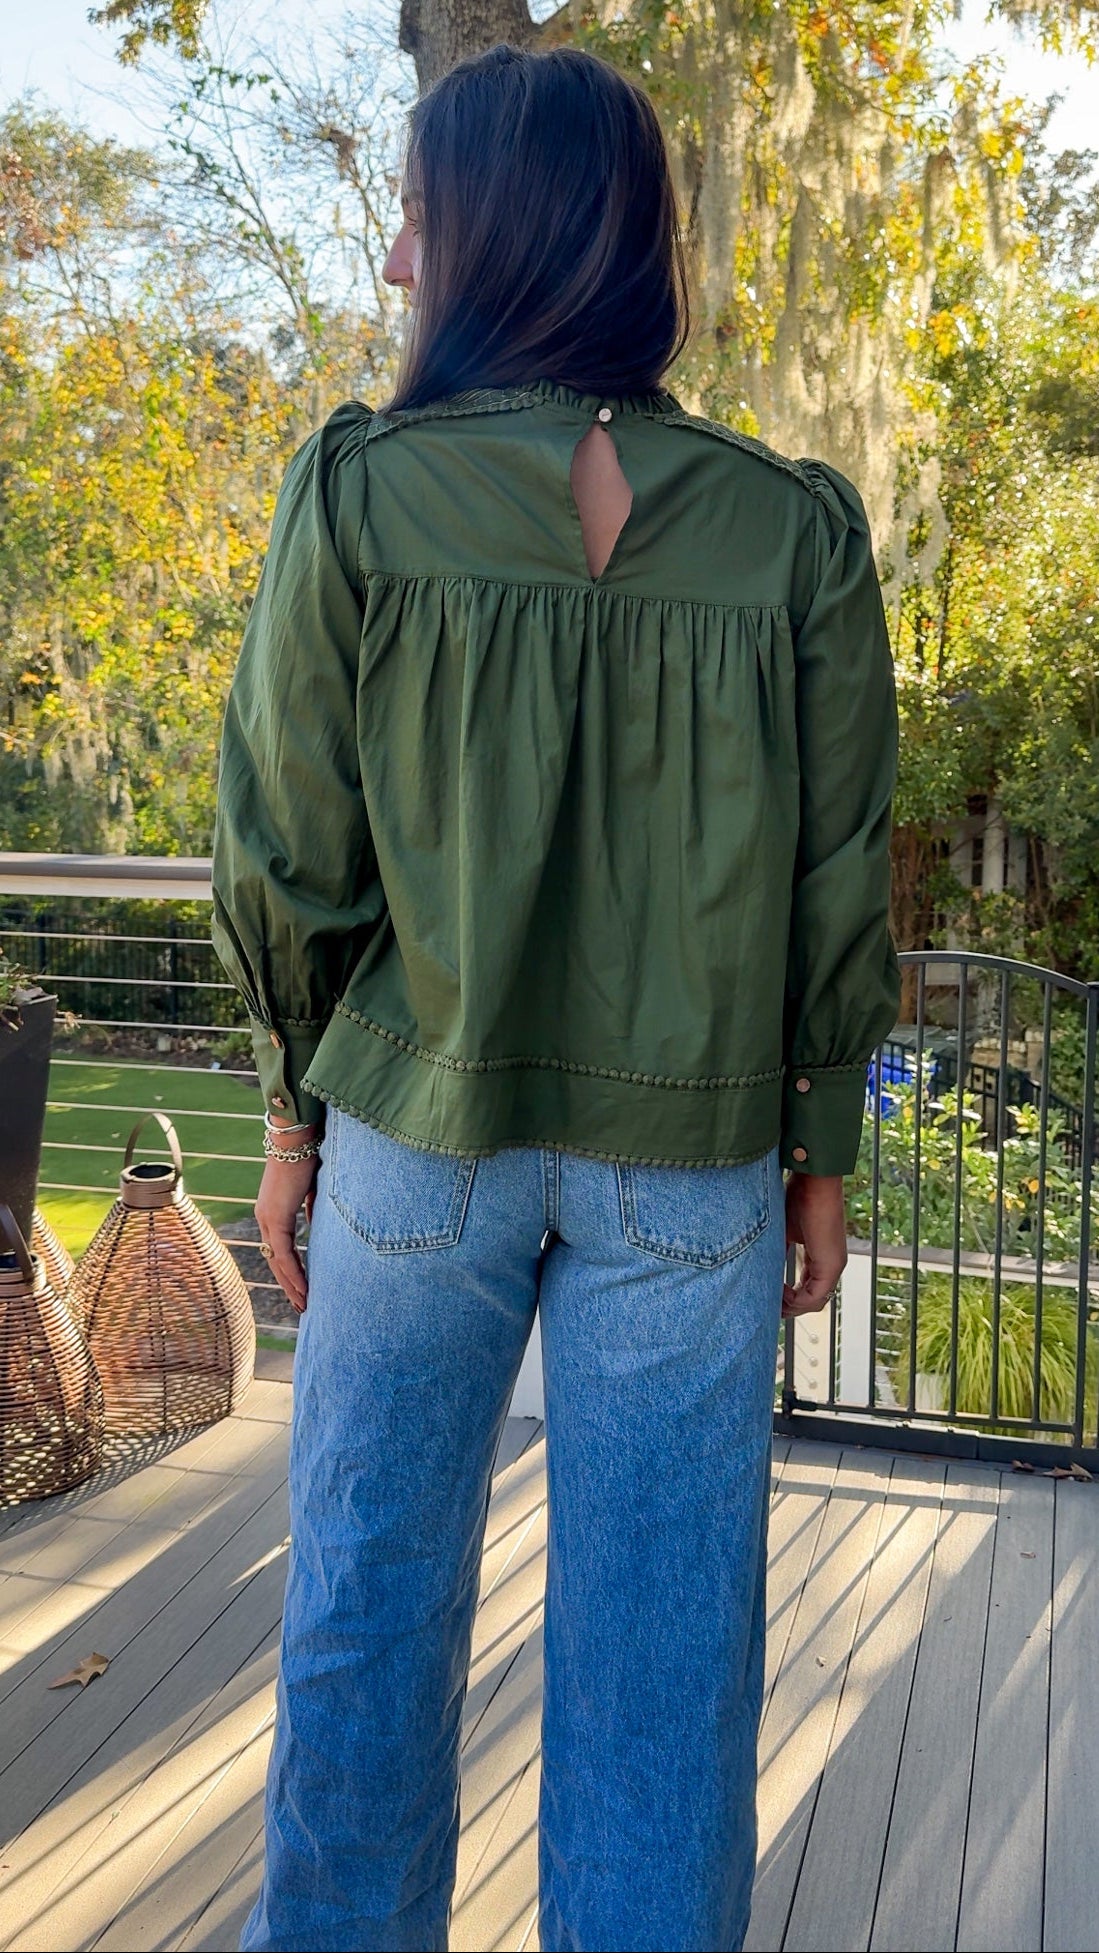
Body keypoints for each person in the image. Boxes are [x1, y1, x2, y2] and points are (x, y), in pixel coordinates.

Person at [211, 40, 899, 1953]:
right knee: (670, 1670)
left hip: (413, 1143)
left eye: (414, 218)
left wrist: (288, 1110)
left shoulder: (358, 498)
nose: (398, 263)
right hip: (689, 1173)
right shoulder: (792, 531)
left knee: (363, 1614)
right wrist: (819, 1149)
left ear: (477, 236)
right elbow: (846, 874)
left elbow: (283, 844)